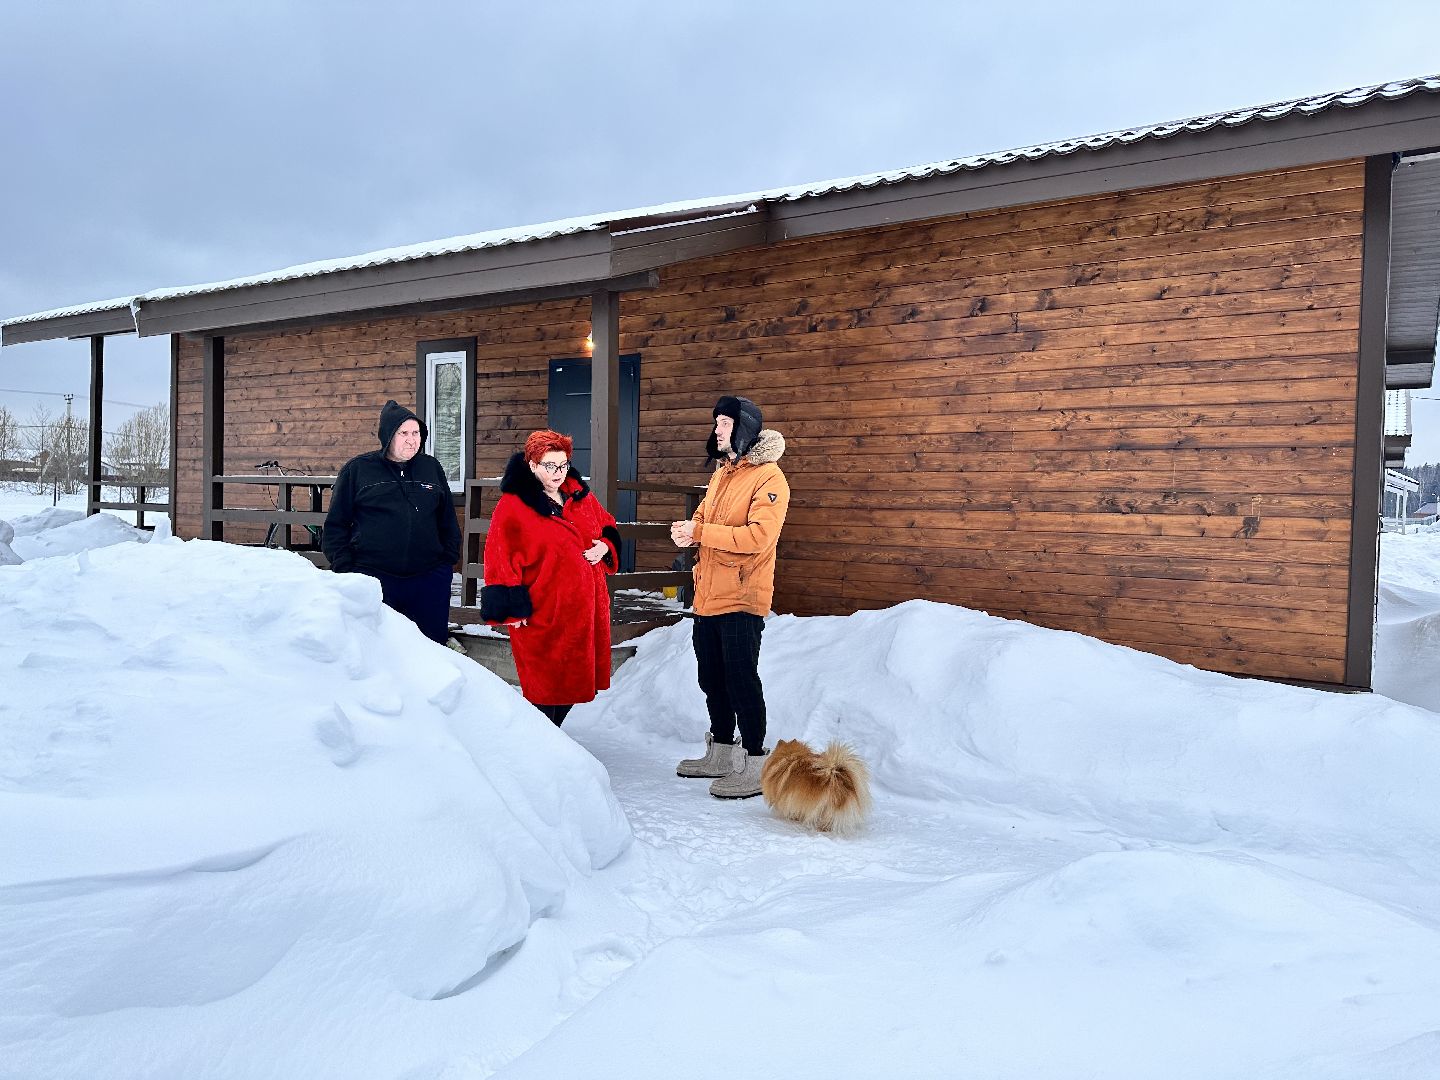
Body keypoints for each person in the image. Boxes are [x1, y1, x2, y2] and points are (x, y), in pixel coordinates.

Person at [671, 395, 789, 798]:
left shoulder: (769, 478)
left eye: (725, 422)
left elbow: (758, 537)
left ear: (745, 428)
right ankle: (721, 753)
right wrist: (689, 530)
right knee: (711, 678)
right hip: (707, 596)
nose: (717, 429)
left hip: (742, 597)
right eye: (717, 422)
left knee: (741, 680)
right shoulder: (722, 473)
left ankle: (755, 763)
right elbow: (703, 515)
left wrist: (701, 533)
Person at [480, 430, 622, 726]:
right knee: (544, 691)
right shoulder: (514, 505)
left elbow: (607, 523)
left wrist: (605, 546)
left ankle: (551, 742)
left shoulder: (580, 495)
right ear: (532, 465)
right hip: (544, 611)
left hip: (585, 612)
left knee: (572, 687)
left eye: (563, 464)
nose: (558, 472)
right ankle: (540, 746)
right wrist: (511, 608)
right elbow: (499, 555)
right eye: (550, 466)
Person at [322, 400, 462, 644]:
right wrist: (347, 570)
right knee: (378, 650)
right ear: (388, 435)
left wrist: (446, 562)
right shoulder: (358, 470)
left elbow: (447, 518)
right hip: (375, 578)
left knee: (430, 649)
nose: (411, 440)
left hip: (428, 579)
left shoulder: (430, 467)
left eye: (416, 433)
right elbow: (336, 525)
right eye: (403, 433)